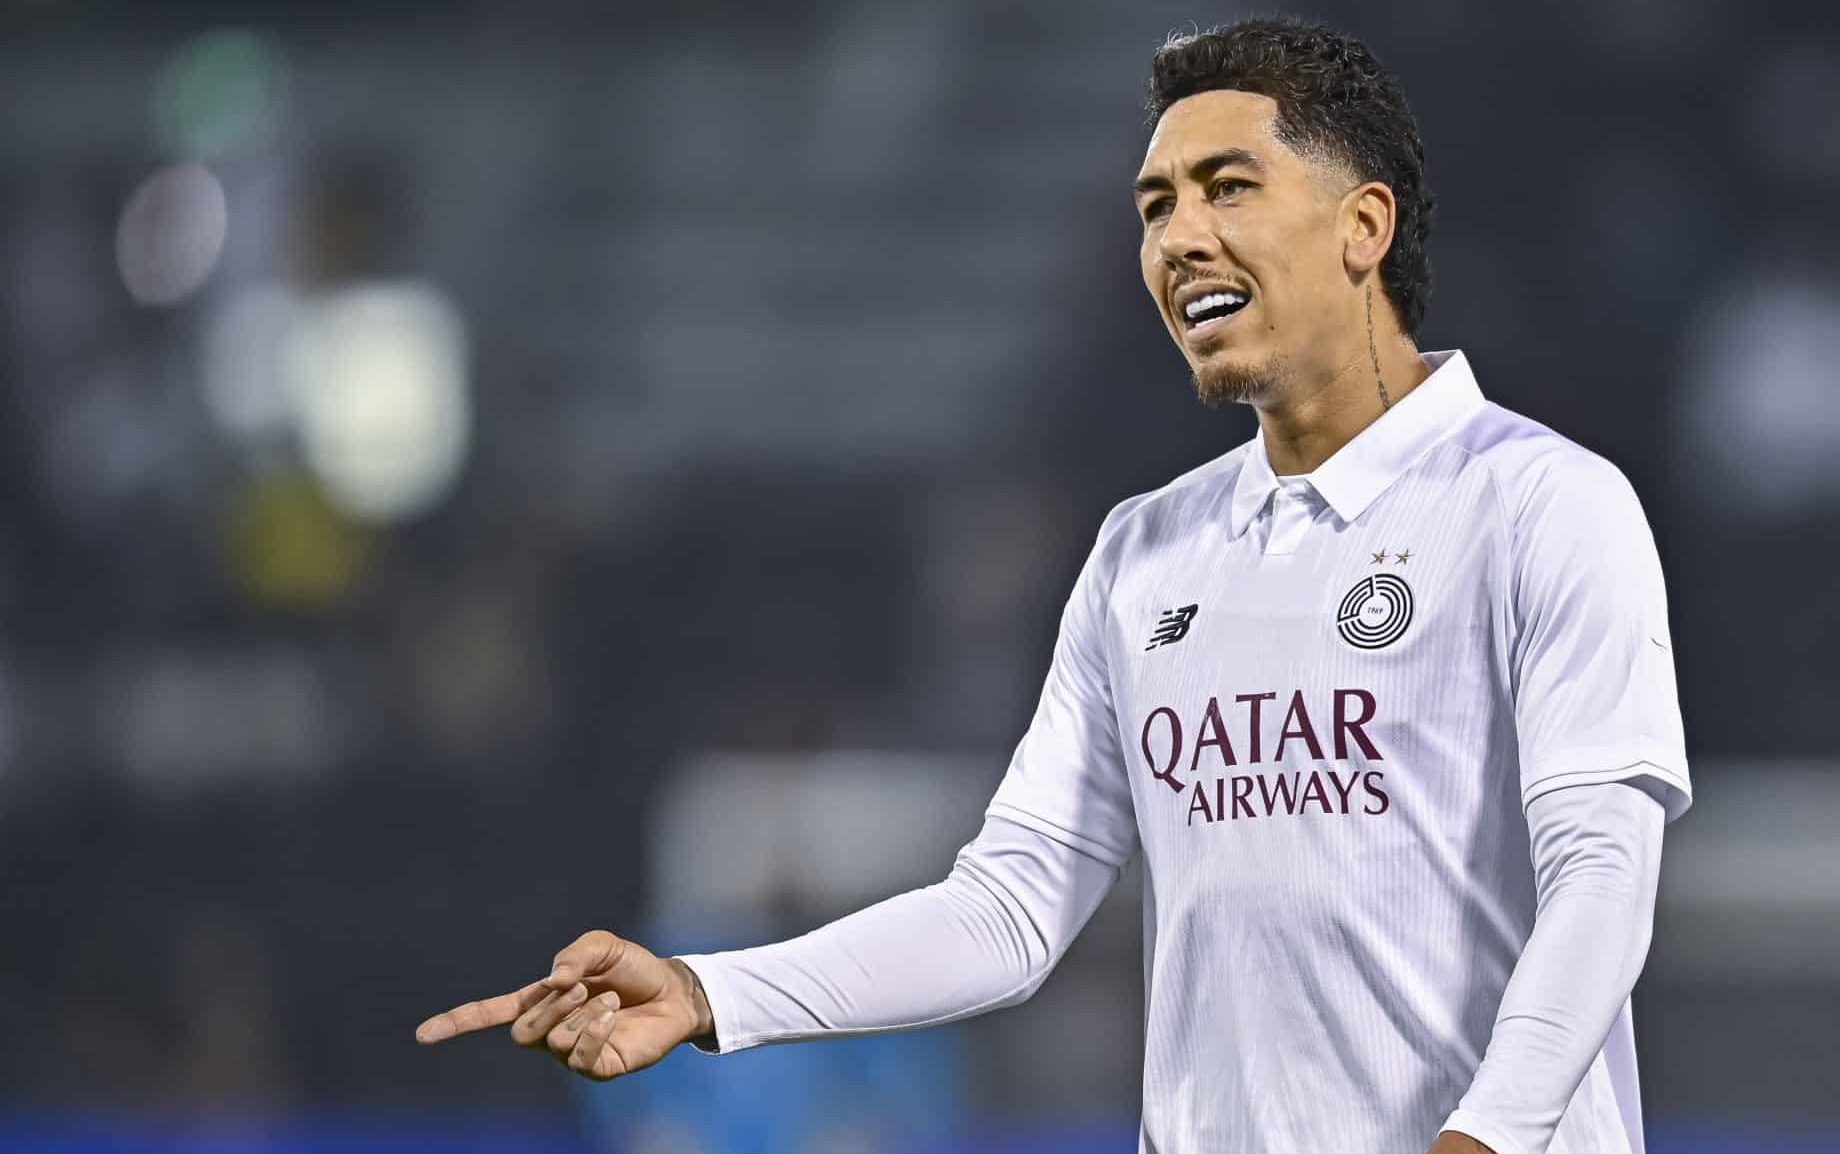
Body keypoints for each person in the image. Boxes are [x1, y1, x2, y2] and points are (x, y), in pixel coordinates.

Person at [416, 16, 1690, 1154]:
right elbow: (1009, 909)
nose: (1178, 238)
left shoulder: (1540, 504)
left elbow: (1598, 879)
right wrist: (713, 992)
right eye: (1154, 205)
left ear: (1363, 225)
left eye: (1226, 187)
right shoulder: (1148, 550)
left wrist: (1481, 1137)